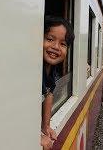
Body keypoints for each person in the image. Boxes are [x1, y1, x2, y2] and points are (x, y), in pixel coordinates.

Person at [40, 16, 74, 149]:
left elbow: (49, 94)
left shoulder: (52, 70)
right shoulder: (32, 71)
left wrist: (46, 126)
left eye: (63, 44)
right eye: (49, 39)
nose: (55, 47)